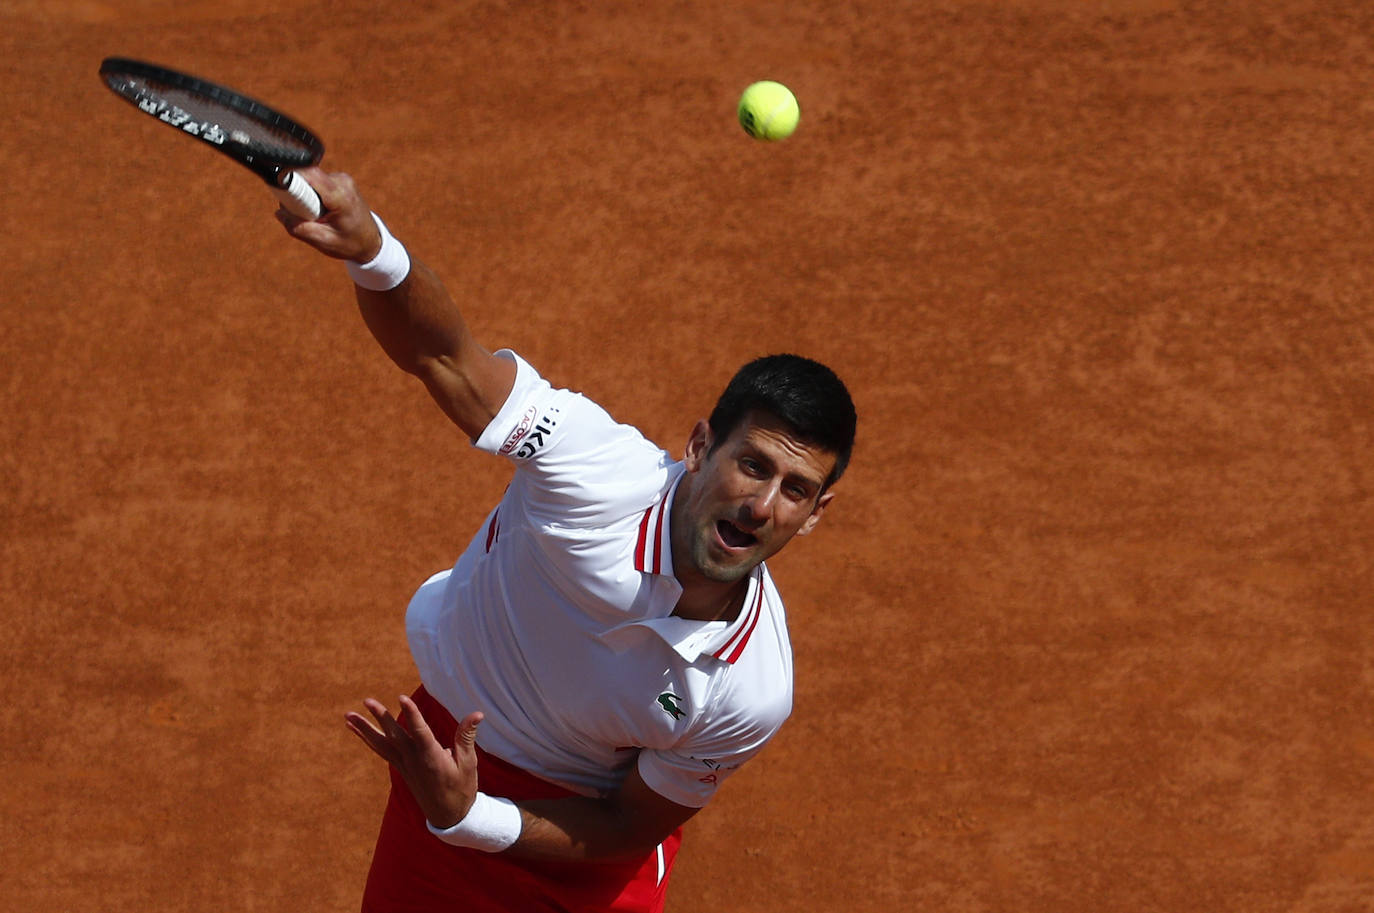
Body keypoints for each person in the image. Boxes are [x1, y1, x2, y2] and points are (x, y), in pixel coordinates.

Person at [277, 167, 858, 913]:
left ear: (814, 513)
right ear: (699, 445)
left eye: (795, 490)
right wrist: (374, 250)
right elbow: (447, 357)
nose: (762, 503)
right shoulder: (593, 468)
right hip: (453, 757)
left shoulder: (753, 686)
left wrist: (472, 815)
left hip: (579, 847)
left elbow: (630, 822)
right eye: (752, 464)